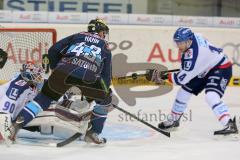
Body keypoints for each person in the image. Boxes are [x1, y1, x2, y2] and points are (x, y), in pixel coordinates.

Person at [5, 18, 112, 145]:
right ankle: (93, 133)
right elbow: (106, 76)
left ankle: (15, 126)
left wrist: (57, 68)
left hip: (63, 72)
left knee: (42, 99)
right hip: (88, 76)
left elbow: (53, 50)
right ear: (100, 32)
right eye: (104, 32)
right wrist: (101, 95)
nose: (104, 35)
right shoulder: (105, 47)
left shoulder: (77, 36)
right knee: (106, 100)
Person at [147, 27, 238, 135]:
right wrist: (201, 64)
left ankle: (229, 125)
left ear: (188, 41)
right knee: (183, 92)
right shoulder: (195, 36)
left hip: (221, 67)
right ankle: (174, 120)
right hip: (206, 67)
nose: (178, 46)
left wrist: (161, 77)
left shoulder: (194, 56)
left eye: (180, 43)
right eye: (177, 43)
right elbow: (189, 68)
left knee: (211, 95)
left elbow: (181, 79)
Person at [0, 61, 44, 144]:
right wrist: (4, 129)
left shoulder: (30, 84)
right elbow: (6, 107)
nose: (39, 76)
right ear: (28, 73)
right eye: (37, 73)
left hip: (11, 115)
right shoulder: (18, 85)